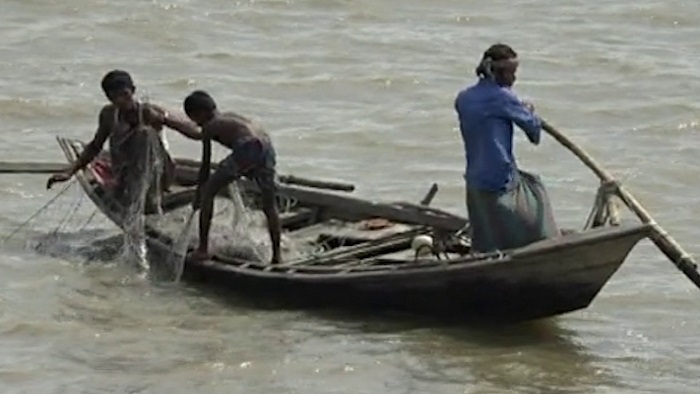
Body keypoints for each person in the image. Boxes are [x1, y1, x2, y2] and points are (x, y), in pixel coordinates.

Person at [454, 43, 560, 253]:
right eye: (511, 73)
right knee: (535, 189)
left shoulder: (464, 98)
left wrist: (517, 108)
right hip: (499, 179)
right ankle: (539, 250)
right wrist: (528, 111)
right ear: (498, 73)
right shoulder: (503, 97)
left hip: (474, 179)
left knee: (486, 237)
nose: (514, 79)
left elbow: (487, 113)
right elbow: (533, 131)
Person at [46, 70, 200, 213]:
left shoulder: (147, 112)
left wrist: (162, 119)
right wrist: (70, 171)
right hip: (126, 176)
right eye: (114, 97)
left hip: (158, 174)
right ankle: (137, 195)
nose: (121, 100)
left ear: (133, 90)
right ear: (108, 97)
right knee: (140, 138)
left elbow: (191, 131)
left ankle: (151, 196)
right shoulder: (108, 114)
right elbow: (95, 146)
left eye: (124, 94)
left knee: (144, 133)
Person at [182, 90, 282, 265]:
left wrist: (200, 193)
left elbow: (205, 166)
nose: (195, 123)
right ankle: (277, 256)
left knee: (209, 192)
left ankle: (203, 249)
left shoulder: (210, 126)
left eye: (194, 119)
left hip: (248, 148)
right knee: (269, 204)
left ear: (199, 114)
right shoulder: (230, 117)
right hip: (266, 147)